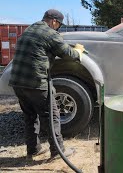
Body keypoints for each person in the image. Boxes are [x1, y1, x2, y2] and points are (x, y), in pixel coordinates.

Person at [9, 9, 85, 161]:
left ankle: (34, 149)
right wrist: (78, 51)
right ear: (54, 21)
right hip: (36, 82)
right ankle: (58, 152)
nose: (58, 28)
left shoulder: (30, 29)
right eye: (59, 25)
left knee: (30, 116)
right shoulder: (50, 33)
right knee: (51, 116)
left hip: (17, 82)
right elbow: (67, 54)